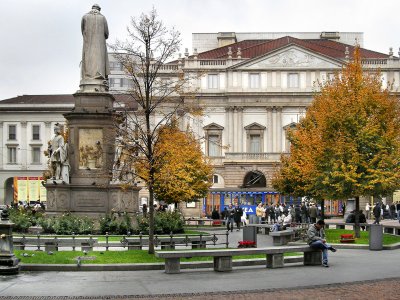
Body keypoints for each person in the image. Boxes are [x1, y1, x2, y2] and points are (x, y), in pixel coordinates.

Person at [81, 4, 110, 84]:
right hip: (100, 46)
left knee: (88, 59)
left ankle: (88, 76)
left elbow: (82, 30)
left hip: (88, 44)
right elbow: (106, 33)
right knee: (99, 59)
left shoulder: (85, 17)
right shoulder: (103, 18)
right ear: (99, 10)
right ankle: (99, 75)